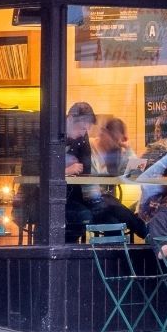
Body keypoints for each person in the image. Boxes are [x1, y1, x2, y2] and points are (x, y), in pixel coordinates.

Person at [60, 101, 97, 243]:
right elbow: (34, 168)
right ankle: (67, 248)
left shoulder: (82, 135)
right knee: (85, 215)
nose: (83, 134)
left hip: (73, 194)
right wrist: (65, 171)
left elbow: (85, 167)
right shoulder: (50, 132)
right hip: (44, 197)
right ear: (69, 119)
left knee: (108, 211)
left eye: (86, 130)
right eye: (81, 129)